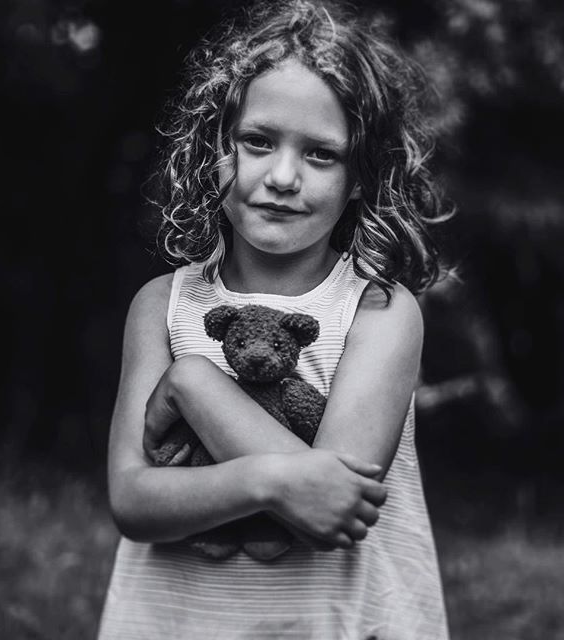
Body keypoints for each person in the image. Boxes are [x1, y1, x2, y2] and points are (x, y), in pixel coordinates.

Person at [98, 0, 452, 637]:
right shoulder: (162, 306)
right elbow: (132, 500)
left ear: (358, 179)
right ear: (214, 150)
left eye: (321, 154)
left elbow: (332, 507)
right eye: (258, 142)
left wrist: (195, 384)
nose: (283, 176)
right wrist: (267, 478)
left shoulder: (378, 311)